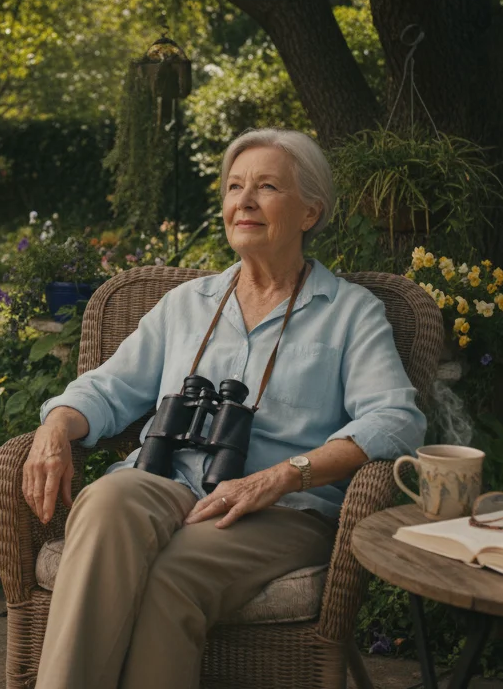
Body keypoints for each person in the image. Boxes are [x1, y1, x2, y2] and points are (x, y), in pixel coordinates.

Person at [24, 128, 426, 689]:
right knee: (107, 499)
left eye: (266, 187)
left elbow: (395, 420)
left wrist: (284, 476)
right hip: (168, 479)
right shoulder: (186, 304)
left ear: (310, 212)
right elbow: (107, 390)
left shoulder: (351, 313)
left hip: (283, 510)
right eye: (235, 187)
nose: (245, 201)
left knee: (173, 576)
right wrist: (55, 428)